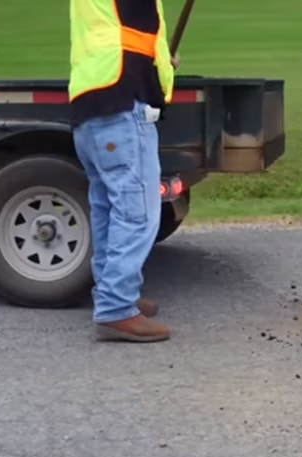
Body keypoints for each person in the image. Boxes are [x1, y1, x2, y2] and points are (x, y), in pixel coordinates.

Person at [69, 0, 180, 342]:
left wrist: (161, 63)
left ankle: (112, 295)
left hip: (90, 100)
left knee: (108, 209)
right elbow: (133, 35)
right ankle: (117, 307)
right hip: (121, 101)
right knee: (136, 213)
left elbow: (128, 30)